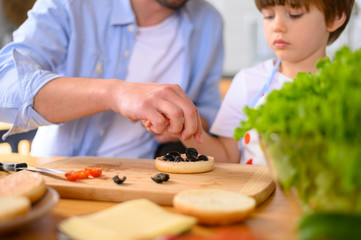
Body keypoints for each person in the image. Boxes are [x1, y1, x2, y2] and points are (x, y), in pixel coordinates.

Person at [0, 0, 224, 158]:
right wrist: (115, 93)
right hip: (60, 175)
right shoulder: (71, 5)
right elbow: (5, 83)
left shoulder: (209, 21)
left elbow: (209, 110)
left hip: (146, 184)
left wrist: (183, 120)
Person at [168, 0, 354, 164]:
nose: (277, 26)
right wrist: (184, 128)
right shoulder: (248, 81)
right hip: (255, 200)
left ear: (335, 18)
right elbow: (226, 156)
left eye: (294, 14)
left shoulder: (348, 87)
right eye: (269, 16)